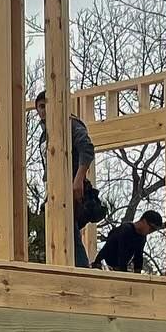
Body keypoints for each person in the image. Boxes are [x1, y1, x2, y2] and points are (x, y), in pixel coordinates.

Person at [34, 90, 101, 267]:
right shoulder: (44, 135)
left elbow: (86, 148)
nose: (43, 111)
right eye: (40, 107)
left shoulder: (70, 124)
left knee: (68, 230)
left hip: (70, 187)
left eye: (46, 105)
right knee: (59, 233)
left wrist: (78, 180)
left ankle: (82, 273)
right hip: (54, 191)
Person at [95, 209, 165, 273]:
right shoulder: (126, 230)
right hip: (106, 265)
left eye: (154, 230)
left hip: (118, 267)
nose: (151, 232)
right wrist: (97, 263)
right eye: (151, 228)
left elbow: (138, 257)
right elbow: (117, 251)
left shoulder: (142, 238)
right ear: (144, 221)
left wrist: (138, 274)